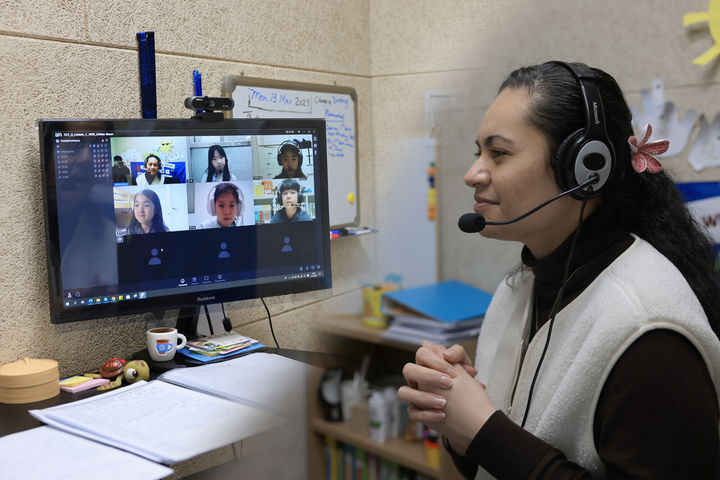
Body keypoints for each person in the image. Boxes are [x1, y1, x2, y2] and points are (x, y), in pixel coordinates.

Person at [398, 61, 720, 479]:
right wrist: (458, 422)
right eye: (479, 152)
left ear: (585, 169)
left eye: (498, 153)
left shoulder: (650, 333)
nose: (472, 173)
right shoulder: (518, 290)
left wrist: (483, 431)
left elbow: (499, 443)